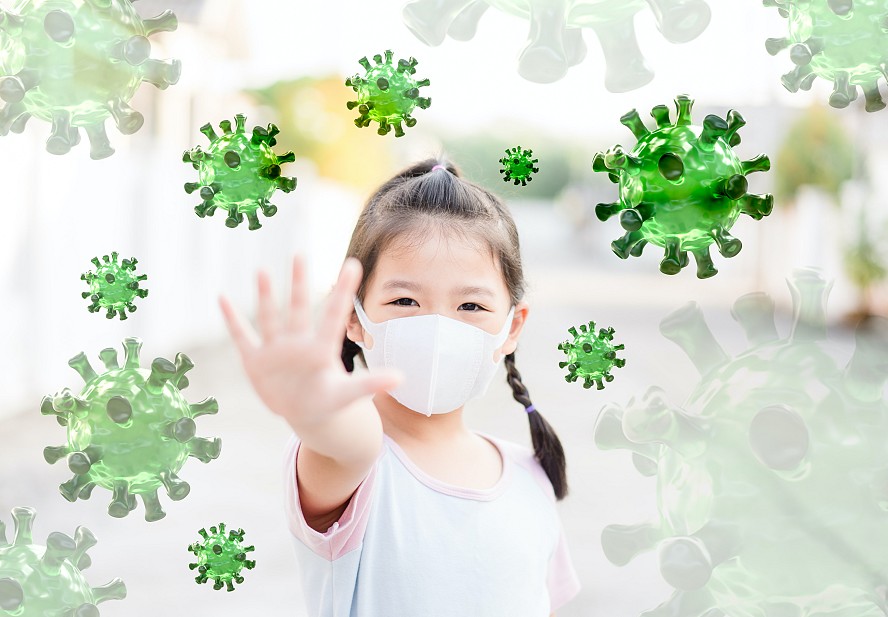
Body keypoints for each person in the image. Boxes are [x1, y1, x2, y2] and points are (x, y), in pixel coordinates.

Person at [219, 158, 581, 616]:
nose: (437, 327)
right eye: (404, 300)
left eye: (470, 305)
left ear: (513, 326)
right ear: (354, 315)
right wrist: (311, 410)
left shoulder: (531, 476)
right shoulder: (354, 467)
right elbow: (348, 442)